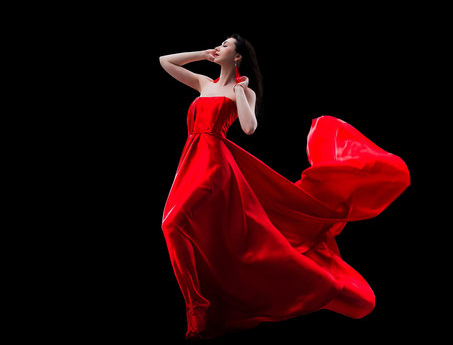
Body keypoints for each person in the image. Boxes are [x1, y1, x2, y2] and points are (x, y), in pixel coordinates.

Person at [159, 34, 410, 340]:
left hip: (214, 164)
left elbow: (249, 128)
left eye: (225, 46)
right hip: (189, 159)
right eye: (220, 44)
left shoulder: (243, 91)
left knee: (174, 223)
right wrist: (202, 53)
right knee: (173, 226)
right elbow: (165, 62)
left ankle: (196, 307)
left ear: (237, 57)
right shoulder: (204, 84)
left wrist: (240, 91)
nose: (219, 47)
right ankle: (199, 301)